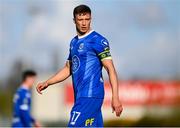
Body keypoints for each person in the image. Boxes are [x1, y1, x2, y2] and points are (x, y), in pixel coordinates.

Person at [36, 4, 123, 127]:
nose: (84, 23)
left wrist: (115, 97)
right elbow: (68, 68)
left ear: (90, 19)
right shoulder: (74, 42)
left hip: (91, 95)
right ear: (74, 21)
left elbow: (111, 69)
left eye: (87, 19)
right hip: (81, 96)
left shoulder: (98, 40)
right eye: (80, 20)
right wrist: (48, 82)